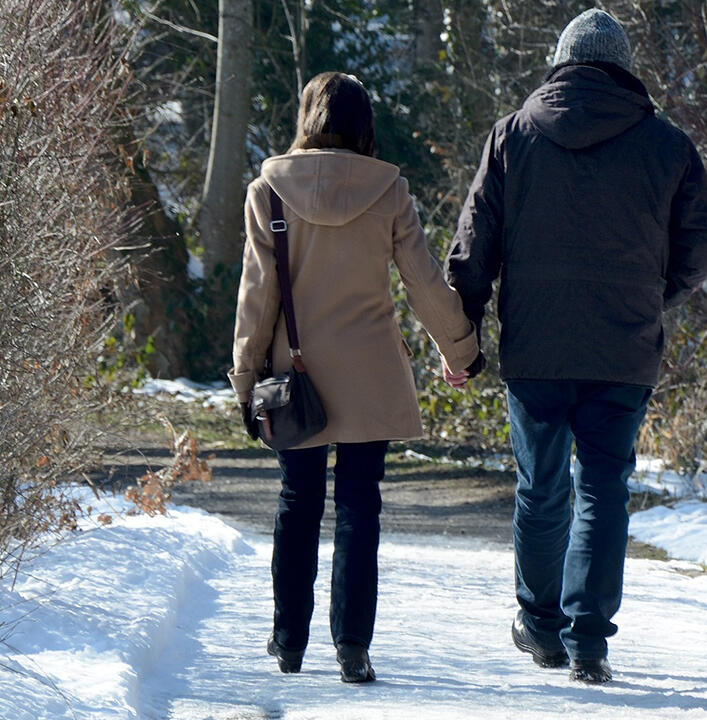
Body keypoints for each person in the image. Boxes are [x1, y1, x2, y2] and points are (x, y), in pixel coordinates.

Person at [445, 9, 707, 684]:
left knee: (540, 487)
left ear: (561, 64)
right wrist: (657, 290)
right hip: (622, 346)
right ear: (624, 69)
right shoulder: (666, 144)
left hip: (536, 347)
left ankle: (542, 627)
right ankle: (590, 642)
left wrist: (463, 333)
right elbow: (705, 239)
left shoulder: (513, 136)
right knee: (603, 490)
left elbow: (472, 245)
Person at [229, 72, 483, 684]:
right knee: (359, 508)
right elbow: (423, 282)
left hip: (298, 378)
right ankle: (353, 649)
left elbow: (257, 300)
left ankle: (289, 640)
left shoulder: (269, 191)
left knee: (297, 502)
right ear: (365, 125)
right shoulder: (389, 191)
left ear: (307, 120)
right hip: (371, 376)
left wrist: (244, 379)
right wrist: (462, 350)